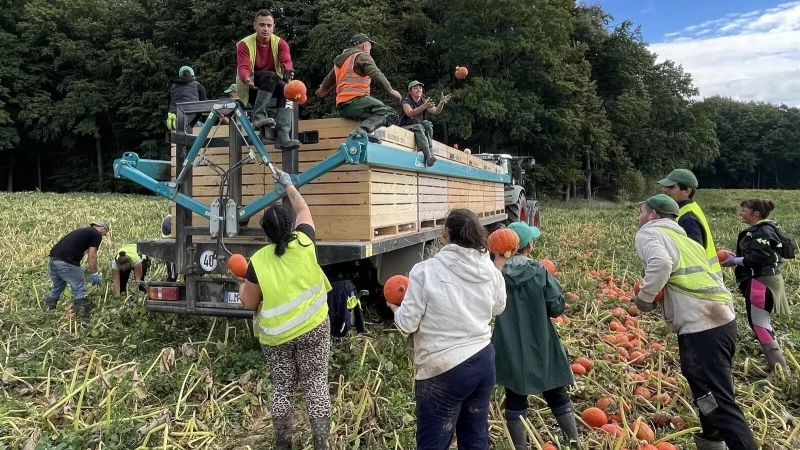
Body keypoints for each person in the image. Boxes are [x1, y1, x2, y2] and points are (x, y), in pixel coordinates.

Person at [631, 194, 756, 450]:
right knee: (706, 393)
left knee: (719, 401)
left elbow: (661, 263)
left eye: (641, 212)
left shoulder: (649, 232)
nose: (639, 217)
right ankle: (713, 443)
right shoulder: (687, 242)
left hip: (702, 326)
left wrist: (644, 298)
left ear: (653, 215)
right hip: (722, 321)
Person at [387, 209, 506, 450]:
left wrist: (395, 309)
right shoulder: (490, 270)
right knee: (475, 440)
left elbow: (407, 323)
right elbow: (498, 307)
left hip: (444, 370)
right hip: (483, 362)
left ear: (444, 233)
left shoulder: (425, 271)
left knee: (433, 443)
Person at [238, 168, 332, 450]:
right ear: (291, 226)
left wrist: (242, 283)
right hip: (314, 329)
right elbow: (303, 209)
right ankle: (321, 443)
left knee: (283, 388)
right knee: (316, 384)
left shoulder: (258, 261)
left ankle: (283, 443)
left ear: (265, 234)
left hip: (277, 338)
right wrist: (288, 185)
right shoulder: (304, 242)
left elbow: (248, 303)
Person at [491, 222, 579, 449]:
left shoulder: (495, 274)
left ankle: (520, 446)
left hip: (508, 343)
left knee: (515, 394)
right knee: (555, 389)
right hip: (541, 339)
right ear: (528, 245)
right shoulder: (539, 271)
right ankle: (573, 442)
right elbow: (556, 306)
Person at [721, 199, 791, 379]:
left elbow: (757, 259)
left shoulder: (760, 232)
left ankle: (779, 370)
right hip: (769, 280)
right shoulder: (768, 229)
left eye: (744, 210)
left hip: (760, 282)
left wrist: (734, 261)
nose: (740, 213)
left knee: (760, 325)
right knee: (761, 323)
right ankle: (773, 364)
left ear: (755, 214)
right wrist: (739, 258)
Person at [314, 33, 402, 138]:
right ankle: (361, 131)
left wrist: (321, 91)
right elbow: (376, 73)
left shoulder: (341, 62)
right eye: (370, 47)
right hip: (356, 101)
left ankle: (365, 135)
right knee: (391, 113)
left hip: (343, 106)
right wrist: (390, 89)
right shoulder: (362, 56)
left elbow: (328, 80)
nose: (370, 50)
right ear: (364, 46)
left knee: (374, 117)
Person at [235, 9, 300, 150]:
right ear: (254, 25)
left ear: (273, 27)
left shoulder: (281, 43)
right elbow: (243, 67)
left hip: (270, 84)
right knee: (270, 76)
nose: (265, 29)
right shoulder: (244, 44)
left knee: (288, 90)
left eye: (269, 25)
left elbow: (286, 60)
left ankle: (283, 136)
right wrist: (246, 78)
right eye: (262, 25)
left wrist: (288, 69)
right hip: (251, 87)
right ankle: (258, 117)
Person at [657, 169, 722, 277]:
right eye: (665, 187)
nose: (665, 190)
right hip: (706, 279)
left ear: (687, 191)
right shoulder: (687, 210)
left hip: (702, 281)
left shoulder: (687, 218)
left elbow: (693, 256)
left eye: (671, 187)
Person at [45, 221, 110, 317]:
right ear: (102, 228)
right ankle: (82, 317)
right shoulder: (96, 234)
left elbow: (81, 250)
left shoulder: (84, 231)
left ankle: (48, 312)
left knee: (58, 287)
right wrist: (95, 274)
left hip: (53, 260)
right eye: (104, 233)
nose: (103, 235)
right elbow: (92, 256)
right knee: (79, 289)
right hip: (67, 262)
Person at [398, 80, 451, 166]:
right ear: (410, 91)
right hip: (405, 127)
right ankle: (428, 156)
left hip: (418, 127)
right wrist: (423, 107)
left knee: (427, 123)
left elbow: (436, 111)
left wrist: (441, 103)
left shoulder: (424, 102)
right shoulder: (406, 101)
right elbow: (410, 113)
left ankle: (430, 151)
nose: (418, 90)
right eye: (415, 88)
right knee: (419, 127)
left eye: (420, 88)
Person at [167, 66, 208, 131]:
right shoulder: (198, 86)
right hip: (191, 121)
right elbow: (205, 107)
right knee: (210, 130)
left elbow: (169, 106)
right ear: (193, 76)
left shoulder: (172, 88)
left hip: (174, 123)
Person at [161, 214, 178, 282]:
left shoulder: (171, 220)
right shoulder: (168, 220)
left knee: (173, 274)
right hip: (170, 250)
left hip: (173, 248)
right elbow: (170, 229)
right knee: (172, 276)